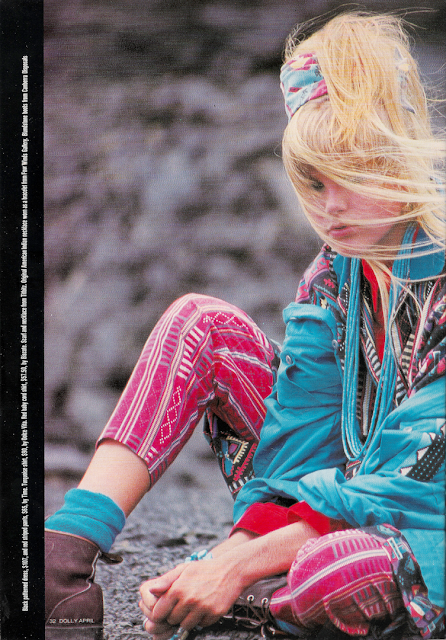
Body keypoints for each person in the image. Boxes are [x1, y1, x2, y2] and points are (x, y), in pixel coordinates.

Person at [45, 11, 445, 640]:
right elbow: (297, 449)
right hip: (339, 502)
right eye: (312, 180)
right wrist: (230, 557)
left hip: (424, 516)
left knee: (338, 573)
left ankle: (271, 592)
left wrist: (232, 568)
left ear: (399, 151)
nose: (330, 206)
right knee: (201, 324)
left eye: (352, 169)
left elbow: (410, 487)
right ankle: (58, 564)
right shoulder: (336, 272)